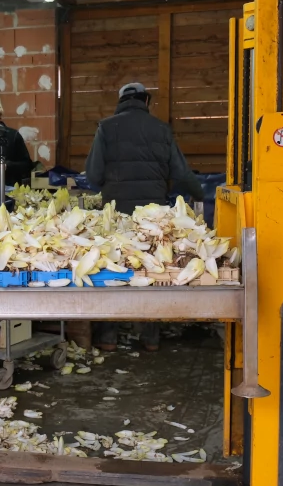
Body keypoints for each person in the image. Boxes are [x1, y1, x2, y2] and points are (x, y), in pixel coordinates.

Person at [84, 82, 204, 352]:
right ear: (145, 101)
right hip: (153, 216)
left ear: (120, 101)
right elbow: (182, 171)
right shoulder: (161, 129)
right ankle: (150, 338)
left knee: (112, 269)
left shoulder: (106, 127)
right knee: (151, 269)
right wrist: (199, 195)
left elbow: (92, 175)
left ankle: (108, 337)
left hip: (116, 214)